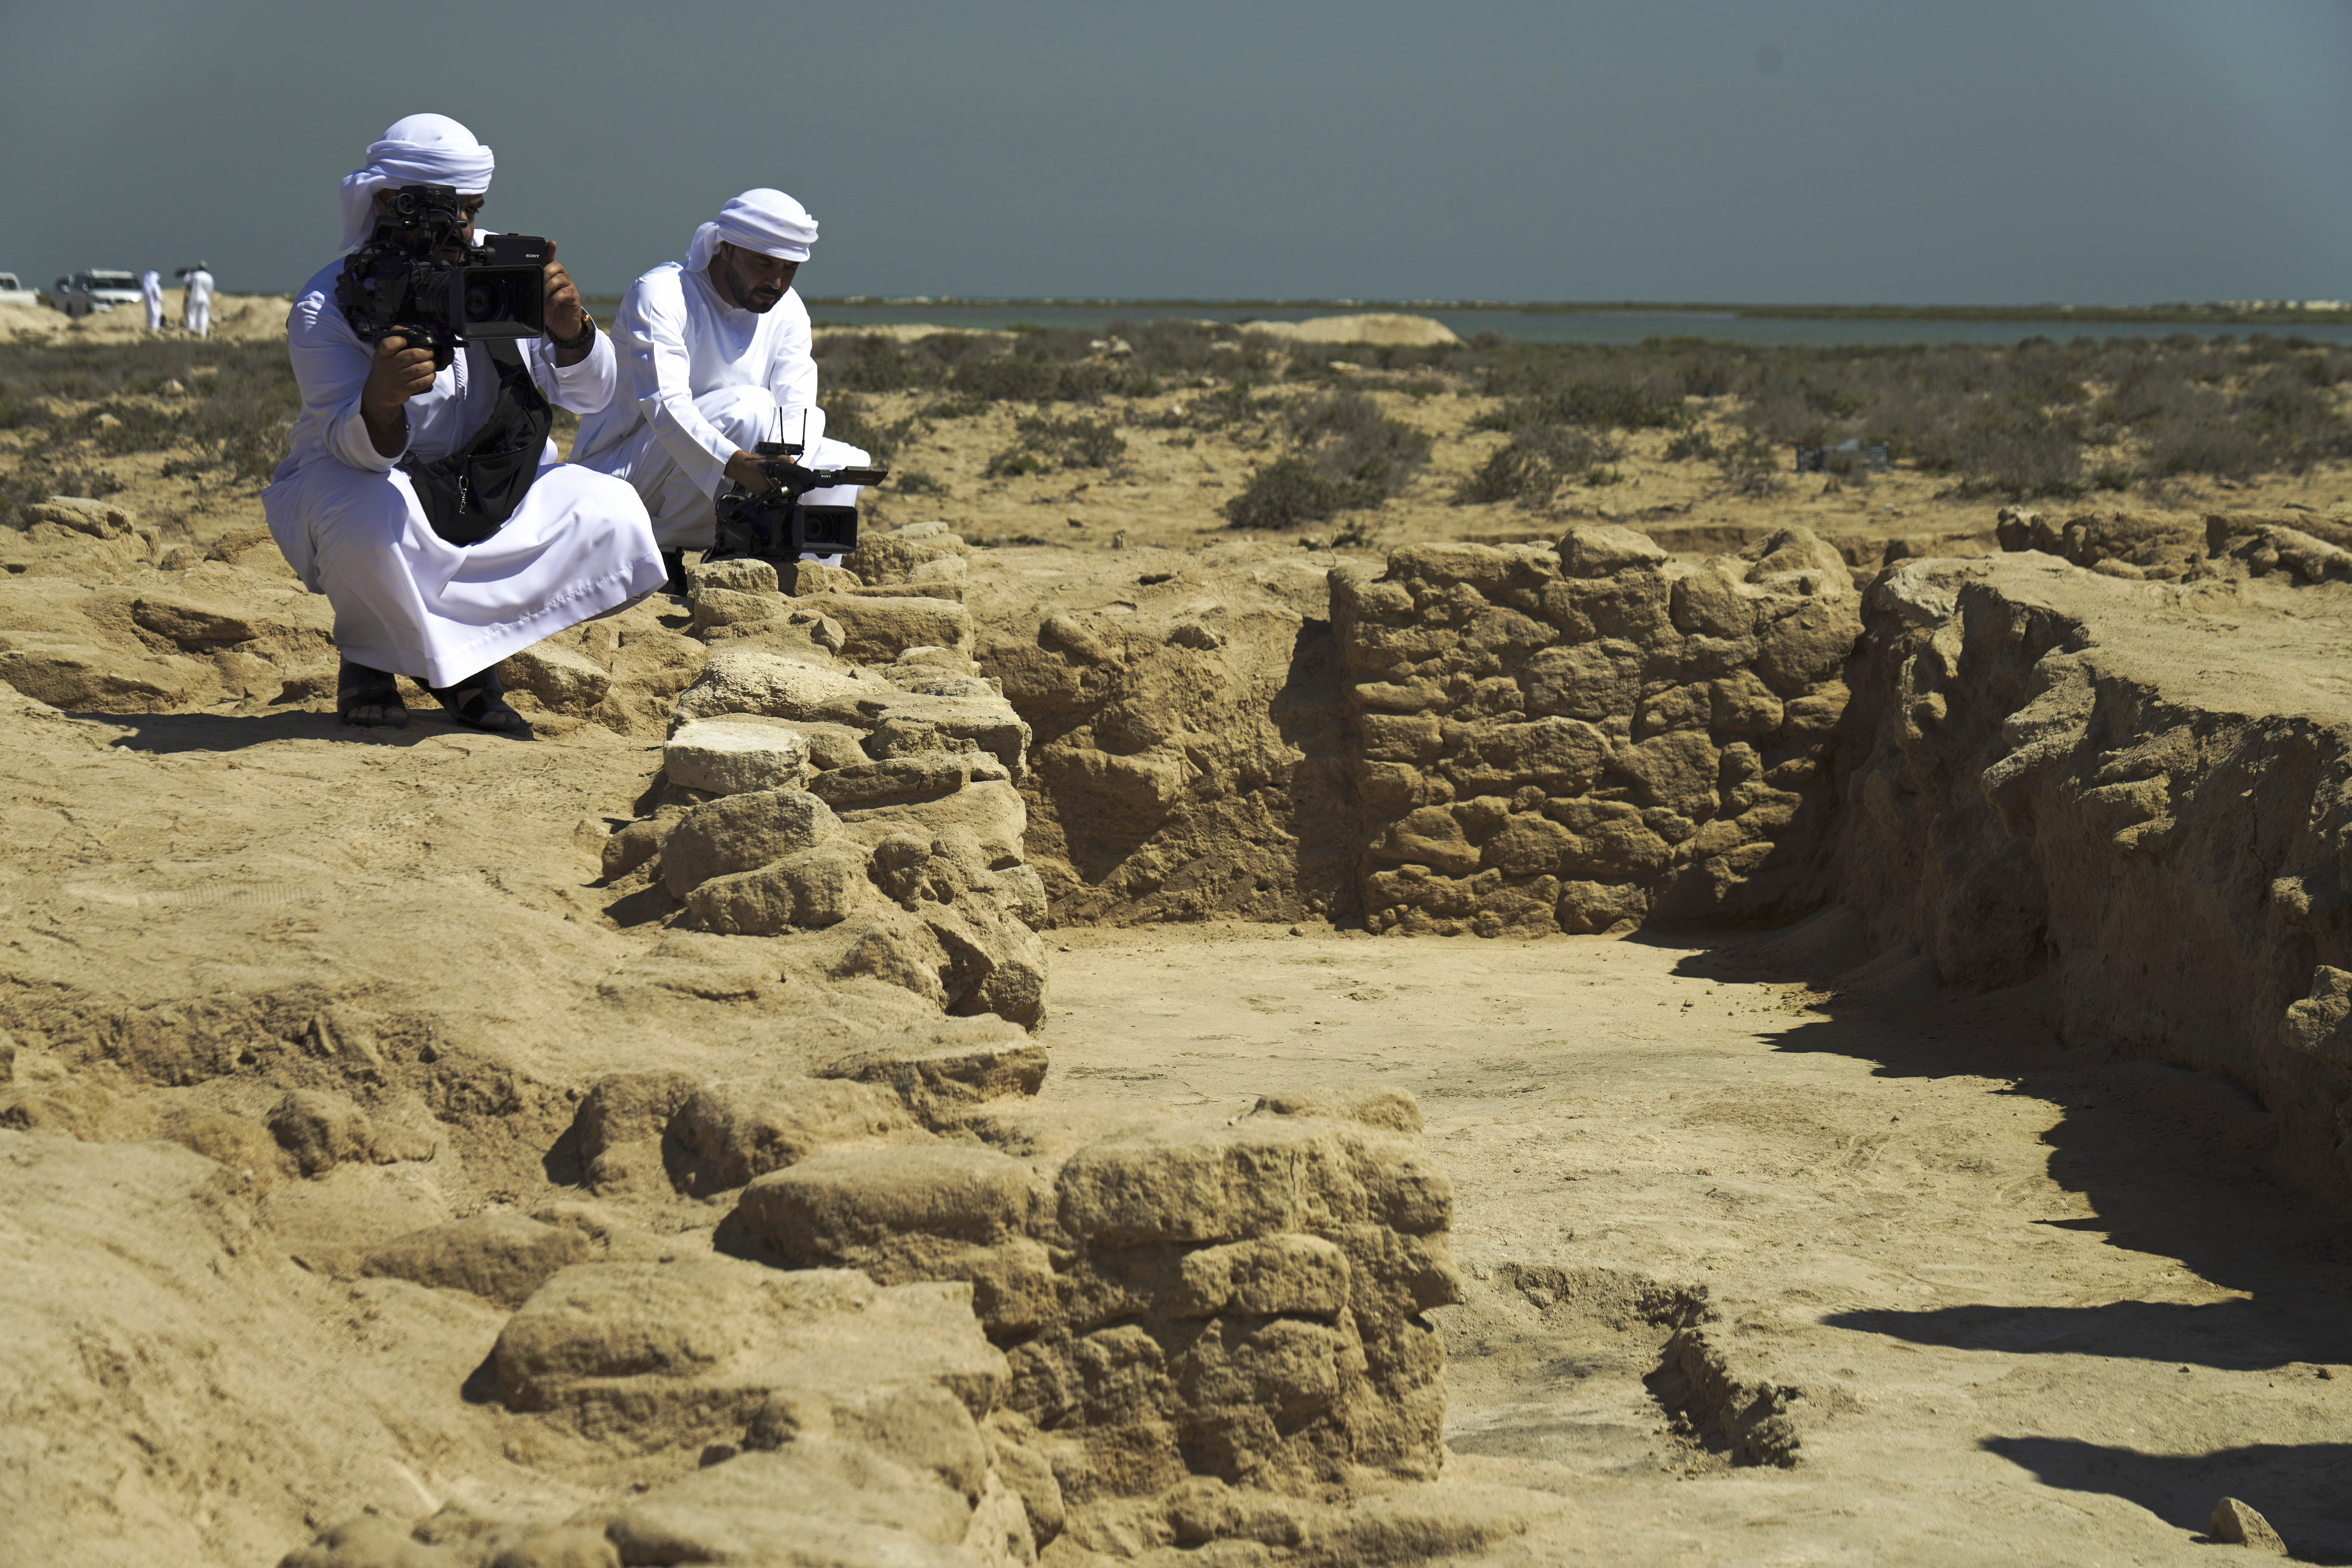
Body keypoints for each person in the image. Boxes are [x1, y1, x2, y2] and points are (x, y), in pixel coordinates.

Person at [262, 113, 664, 735]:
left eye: (470, 212)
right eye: (441, 213)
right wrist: (381, 400)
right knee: (367, 515)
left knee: (613, 512)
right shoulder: (330, 303)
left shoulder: (504, 271)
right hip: (370, 484)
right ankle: (374, 657)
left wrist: (572, 331)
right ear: (386, 203)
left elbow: (592, 397)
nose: (460, 230)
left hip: (494, 483)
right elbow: (353, 448)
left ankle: (457, 662)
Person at [571, 188, 870, 591]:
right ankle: (661, 550)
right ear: (725, 248)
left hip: (719, 469)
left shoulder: (788, 308)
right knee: (750, 409)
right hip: (616, 480)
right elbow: (666, 407)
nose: (777, 281)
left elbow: (796, 406)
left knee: (842, 461)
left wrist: (785, 469)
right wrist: (740, 465)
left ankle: (803, 579)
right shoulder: (663, 294)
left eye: (790, 268)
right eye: (764, 263)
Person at [181, 262, 213, 337]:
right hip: (205, 298)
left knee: (192, 314)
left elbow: (186, 282)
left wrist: (188, 274)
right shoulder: (209, 277)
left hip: (195, 297)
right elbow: (210, 290)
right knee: (204, 315)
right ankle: (203, 333)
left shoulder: (195, 276)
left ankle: (190, 332)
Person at [140, 269, 164, 333]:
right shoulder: (155, 286)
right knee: (156, 318)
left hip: (149, 308)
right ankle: (154, 331)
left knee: (150, 319)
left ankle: (150, 330)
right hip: (156, 306)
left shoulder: (146, 287)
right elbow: (159, 297)